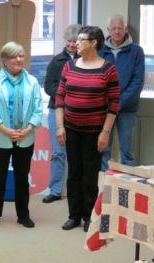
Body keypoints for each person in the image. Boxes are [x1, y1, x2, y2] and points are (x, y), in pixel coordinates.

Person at [55, 26, 120, 232]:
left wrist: (105, 132)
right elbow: (60, 97)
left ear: (93, 43)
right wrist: (59, 126)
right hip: (71, 128)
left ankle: (88, 216)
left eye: (81, 40)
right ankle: (73, 215)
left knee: (90, 175)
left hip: (94, 132)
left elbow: (114, 104)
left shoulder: (108, 69)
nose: (76, 43)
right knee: (74, 172)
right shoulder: (70, 66)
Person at [0, 41, 43, 228]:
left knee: (22, 178)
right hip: (0, 137)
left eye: (21, 55)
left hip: (25, 138)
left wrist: (28, 129)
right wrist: (6, 131)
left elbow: (37, 109)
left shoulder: (32, 81)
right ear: (5, 60)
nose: (18, 59)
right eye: (14, 56)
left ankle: (23, 215)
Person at [100, 14, 145, 171]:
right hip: (105, 109)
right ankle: (104, 190)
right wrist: (108, 104)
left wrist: (118, 103)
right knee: (104, 149)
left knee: (127, 151)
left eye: (120, 28)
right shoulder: (100, 50)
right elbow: (97, 79)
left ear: (126, 29)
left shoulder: (137, 51)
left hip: (127, 109)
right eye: (114, 28)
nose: (117, 31)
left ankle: (126, 188)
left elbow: (138, 82)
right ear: (108, 30)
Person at [43, 24, 81, 204]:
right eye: (70, 41)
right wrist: (63, 98)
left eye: (76, 41)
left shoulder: (86, 60)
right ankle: (55, 190)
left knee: (76, 153)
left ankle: (76, 191)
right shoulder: (56, 61)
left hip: (78, 112)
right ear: (65, 41)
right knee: (58, 153)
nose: (72, 45)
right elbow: (48, 85)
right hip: (56, 110)